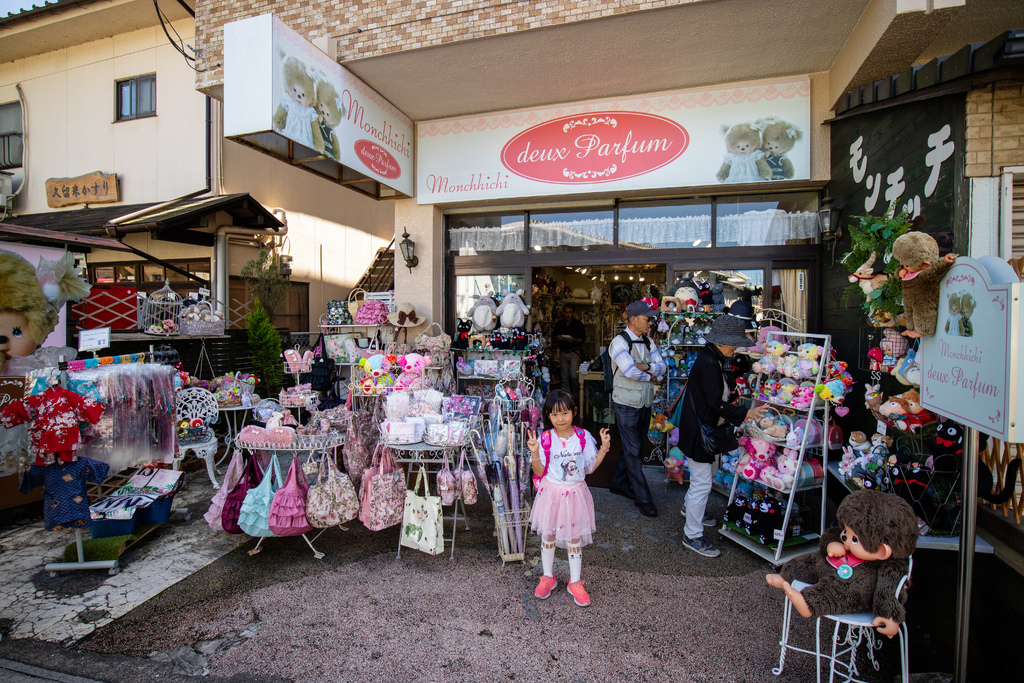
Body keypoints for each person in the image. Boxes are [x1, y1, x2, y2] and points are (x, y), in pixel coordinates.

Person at [677, 313, 768, 557]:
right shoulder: (709, 363)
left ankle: (690, 510)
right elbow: (716, 403)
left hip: (700, 428)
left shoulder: (713, 358)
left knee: (705, 477)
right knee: (702, 482)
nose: (736, 347)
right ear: (721, 341)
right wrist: (746, 413)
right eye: (734, 342)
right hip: (700, 432)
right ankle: (692, 535)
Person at [528, 389, 610, 607]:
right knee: (548, 536)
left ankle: (575, 581)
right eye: (554, 415)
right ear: (548, 416)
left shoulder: (583, 437)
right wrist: (535, 452)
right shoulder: (545, 439)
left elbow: (590, 468)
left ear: (573, 412)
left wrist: (604, 449)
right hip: (551, 494)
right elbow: (538, 471)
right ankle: (548, 576)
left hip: (575, 495)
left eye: (564, 413)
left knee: (574, 539)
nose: (560, 419)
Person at [608, 300, 666, 517]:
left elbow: (663, 368)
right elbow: (628, 371)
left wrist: (647, 368)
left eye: (651, 319)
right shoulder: (619, 342)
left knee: (635, 448)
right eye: (647, 318)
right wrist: (651, 374)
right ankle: (644, 500)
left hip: (644, 402)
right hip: (626, 402)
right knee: (633, 451)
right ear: (633, 319)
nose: (650, 322)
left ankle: (619, 483)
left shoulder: (649, 342)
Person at [552, 303, 586, 397]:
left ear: (573, 313)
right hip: (563, 352)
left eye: (569, 312)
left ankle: (575, 396)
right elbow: (553, 338)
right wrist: (559, 338)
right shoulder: (559, 324)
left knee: (574, 376)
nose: (567, 314)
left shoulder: (578, 324)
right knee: (564, 377)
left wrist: (574, 340)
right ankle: (566, 397)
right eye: (566, 312)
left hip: (574, 352)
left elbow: (583, 339)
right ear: (563, 312)